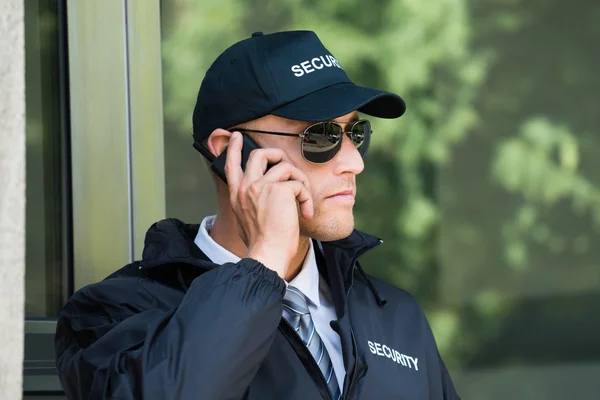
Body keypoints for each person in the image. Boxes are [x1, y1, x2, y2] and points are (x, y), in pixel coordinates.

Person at [55, 30, 459, 400]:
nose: (353, 162)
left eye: (354, 133)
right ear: (230, 149)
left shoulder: (396, 313)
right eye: (321, 136)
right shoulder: (113, 310)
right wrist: (263, 264)